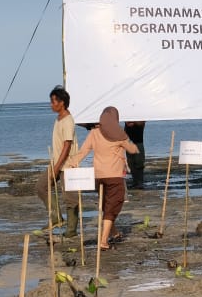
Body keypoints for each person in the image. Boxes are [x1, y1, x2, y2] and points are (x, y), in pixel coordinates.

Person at [73, 107, 139, 250]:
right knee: (113, 205)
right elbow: (132, 149)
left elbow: (84, 150)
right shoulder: (117, 133)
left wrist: (71, 163)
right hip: (114, 175)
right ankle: (103, 241)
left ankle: (114, 233)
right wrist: (134, 147)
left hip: (98, 175)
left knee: (106, 205)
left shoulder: (95, 132)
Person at [45, 86, 81, 238]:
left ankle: (71, 231)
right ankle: (56, 216)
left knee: (71, 199)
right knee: (42, 186)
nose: (51, 105)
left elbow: (67, 146)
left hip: (68, 166)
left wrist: (57, 167)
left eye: (53, 102)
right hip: (56, 163)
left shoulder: (67, 120)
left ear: (62, 103)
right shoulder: (58, 118)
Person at [124, 120, 147, 189]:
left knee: (139, 163)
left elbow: (141, 123)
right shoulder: (128, 116)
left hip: (138, 142)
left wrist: (133, 121)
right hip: (129, 143)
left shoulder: (139, 117)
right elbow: (127, 124)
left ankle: (140, 182)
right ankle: (135, 182)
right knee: (131, 163)